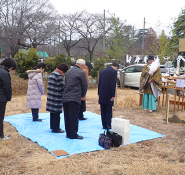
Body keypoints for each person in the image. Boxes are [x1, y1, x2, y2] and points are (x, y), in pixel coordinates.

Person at [62, 59, 87, 139]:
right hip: (74, 97)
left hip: (65, 96)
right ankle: (73, 134)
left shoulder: (68, 71)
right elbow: (84, 85)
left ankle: (68, 133)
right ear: (82, 65)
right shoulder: (81, 72)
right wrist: (82, 95)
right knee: (74, 117)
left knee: (67, 116)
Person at [46, 63, 68, 133]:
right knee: (57, 113)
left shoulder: (52, 73)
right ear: (63, 70)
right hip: (56, 97)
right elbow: (61, 88)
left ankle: (52, 126)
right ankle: (56, 129)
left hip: (51, 96)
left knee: (52, 112)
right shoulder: (58, 75)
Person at [98, 62, 119, 129]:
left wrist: (99, 93)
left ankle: (104, 124)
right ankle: (108, 125)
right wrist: (113, 94)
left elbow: (99, 83)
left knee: (103, 109)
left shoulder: (103, 71)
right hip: (109, 93)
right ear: (116, 67)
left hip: (102, 93)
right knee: (108, 109)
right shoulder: (114, 72)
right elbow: (113, 84)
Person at [0, 58, 16, 140]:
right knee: (0, 117)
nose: (11, 70)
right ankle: (1, 136)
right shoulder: (4, 73)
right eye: (12, 68)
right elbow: (7, 87)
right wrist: (9, 97)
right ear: (9, 66)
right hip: (1, 98)